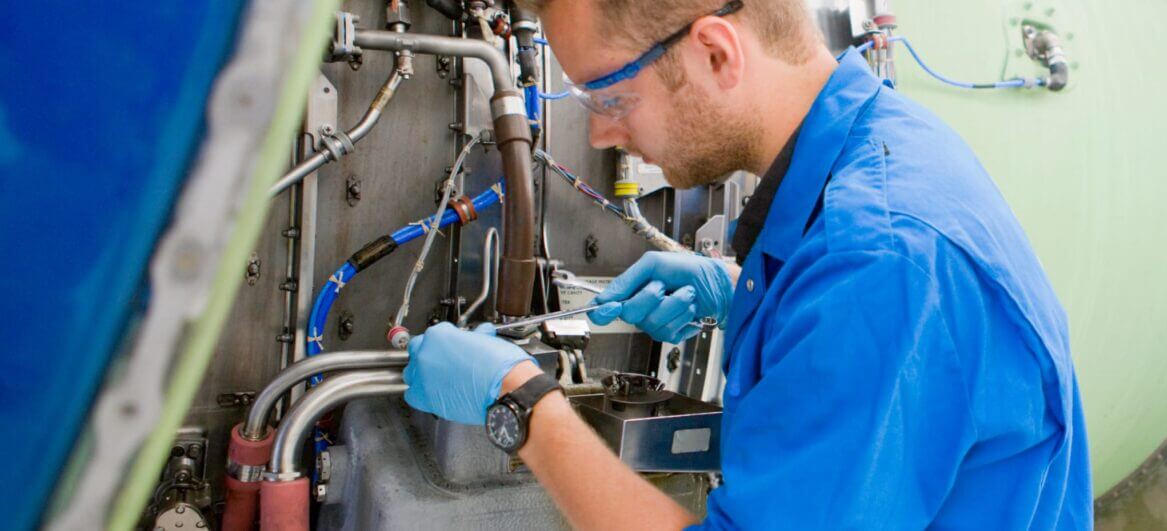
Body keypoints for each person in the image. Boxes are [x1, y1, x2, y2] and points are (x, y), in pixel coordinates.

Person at [401, 0, 1092, 528]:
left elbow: (877, 301)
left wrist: (521, 406)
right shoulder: (881, 145)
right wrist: (746, 295)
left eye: (608, 97)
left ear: (715, 54)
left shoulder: (876, 262)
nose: (601, 133)